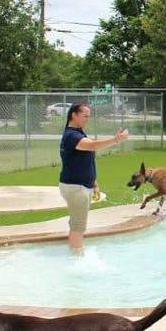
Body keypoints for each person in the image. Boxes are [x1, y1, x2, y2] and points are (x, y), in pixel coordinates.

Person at [58, 102, 128, 251]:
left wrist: (94, 182)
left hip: (78, 186)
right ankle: (76, 258)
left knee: (76, 224)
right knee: (78, 227)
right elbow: (93, 146)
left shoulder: (77, 133)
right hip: (76, 187)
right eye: (85, 116)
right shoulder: (72, 135)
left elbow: (83, 160)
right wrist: (116, 140)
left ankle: (74, 253)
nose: (87, 119)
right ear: (74, 115)